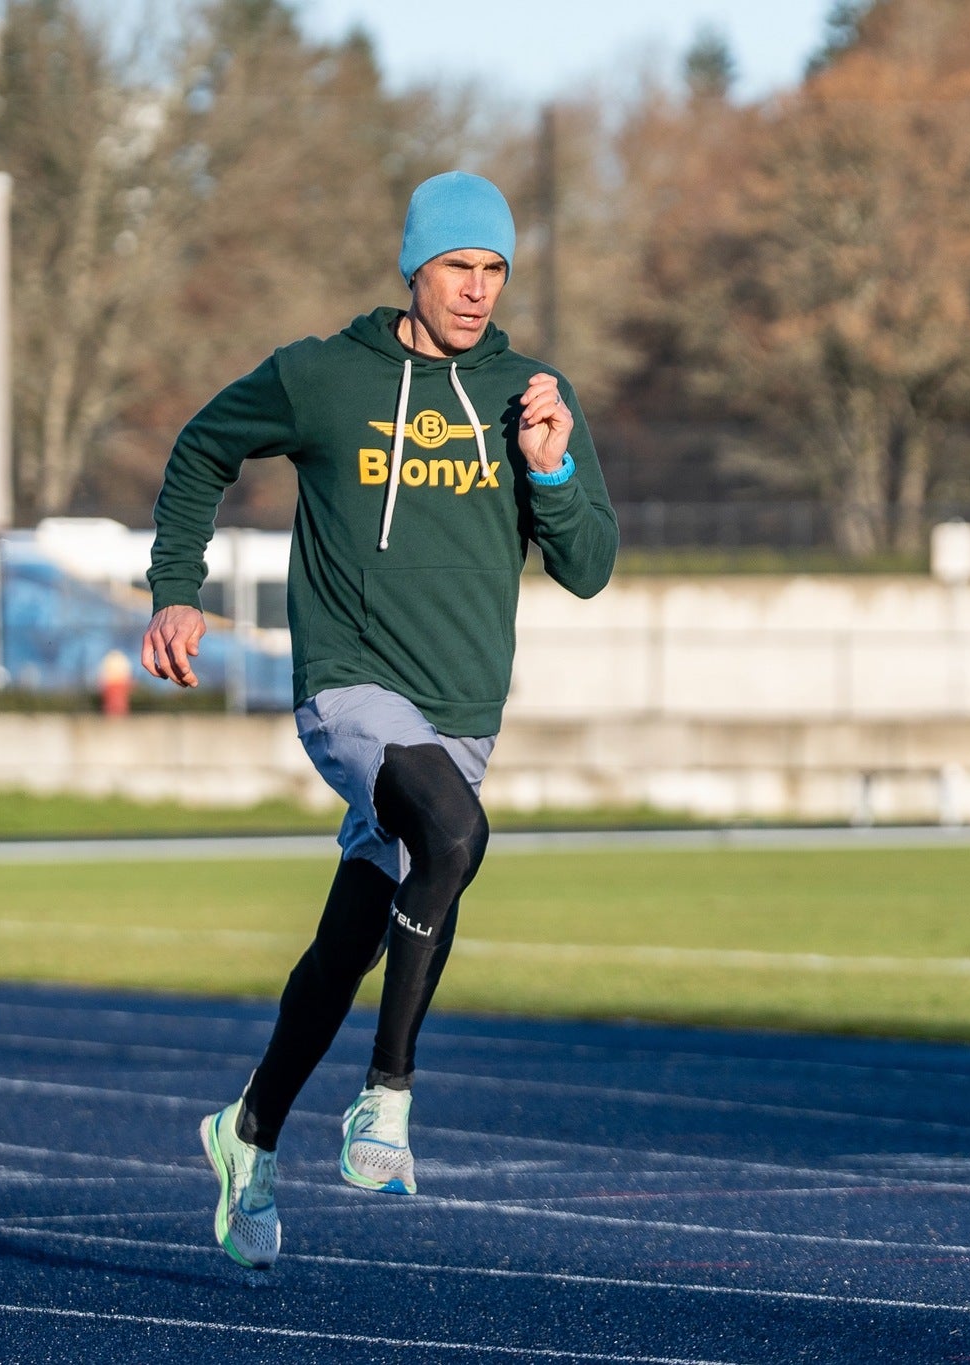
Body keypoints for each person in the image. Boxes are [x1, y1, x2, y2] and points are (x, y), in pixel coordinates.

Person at [140, 171, 618, 1269]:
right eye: (459, 266)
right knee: (453, 838)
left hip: (461, 712)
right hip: (348, 686)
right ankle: (385, 1101)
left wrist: (548, 468)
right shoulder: (323, 376)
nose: (477, 290)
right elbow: (201, 448)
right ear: (414, 266)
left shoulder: (529, 394)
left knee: (352, 936)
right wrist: (175, 584)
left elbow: (588, 569)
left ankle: (248, 1131)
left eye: (494, 270)